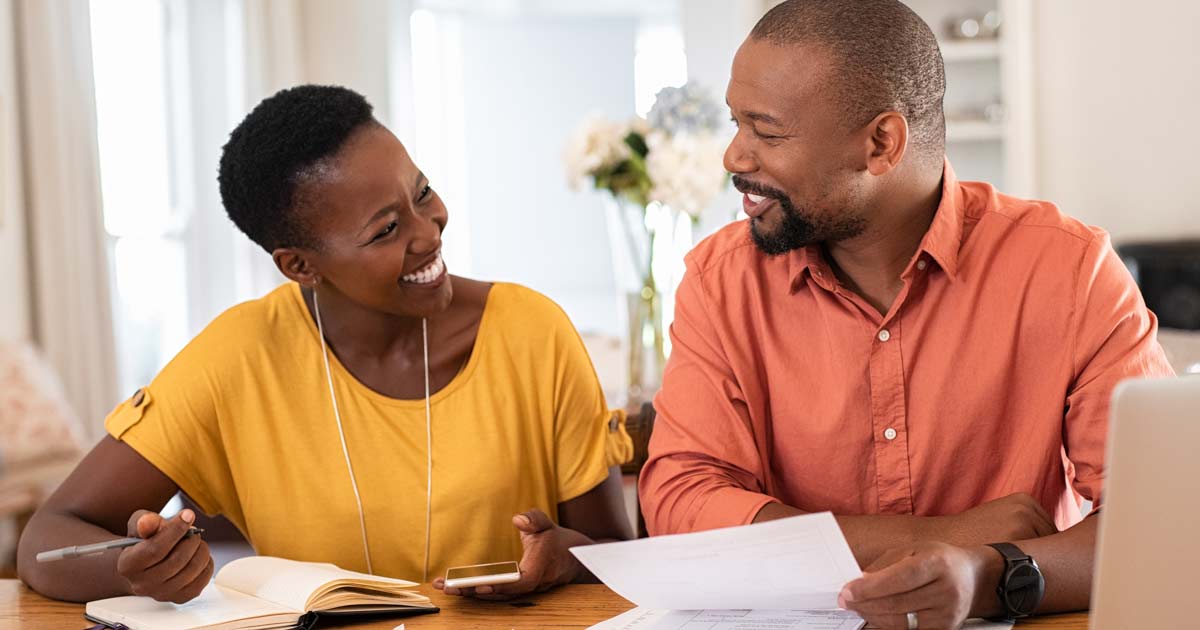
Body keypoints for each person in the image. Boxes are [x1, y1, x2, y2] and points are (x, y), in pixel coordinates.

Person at [637, 1, 1174, 628]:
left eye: (767, 131)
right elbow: (681, 501)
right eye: (736, 124)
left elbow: (1162, 520)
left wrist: (989, 575)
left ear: (882, 143)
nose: (734, 157)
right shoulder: (719, 280)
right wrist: (942, 534)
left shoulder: (1069, 270)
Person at [18, 85, 633, 604]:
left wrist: (562, 559)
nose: (430, 231)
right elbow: (46, 539)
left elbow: (615, 554)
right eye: (386, 229)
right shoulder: (238, 356)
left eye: (421, 192)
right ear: (300, 266)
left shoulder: (532, 330)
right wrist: (137, 572)